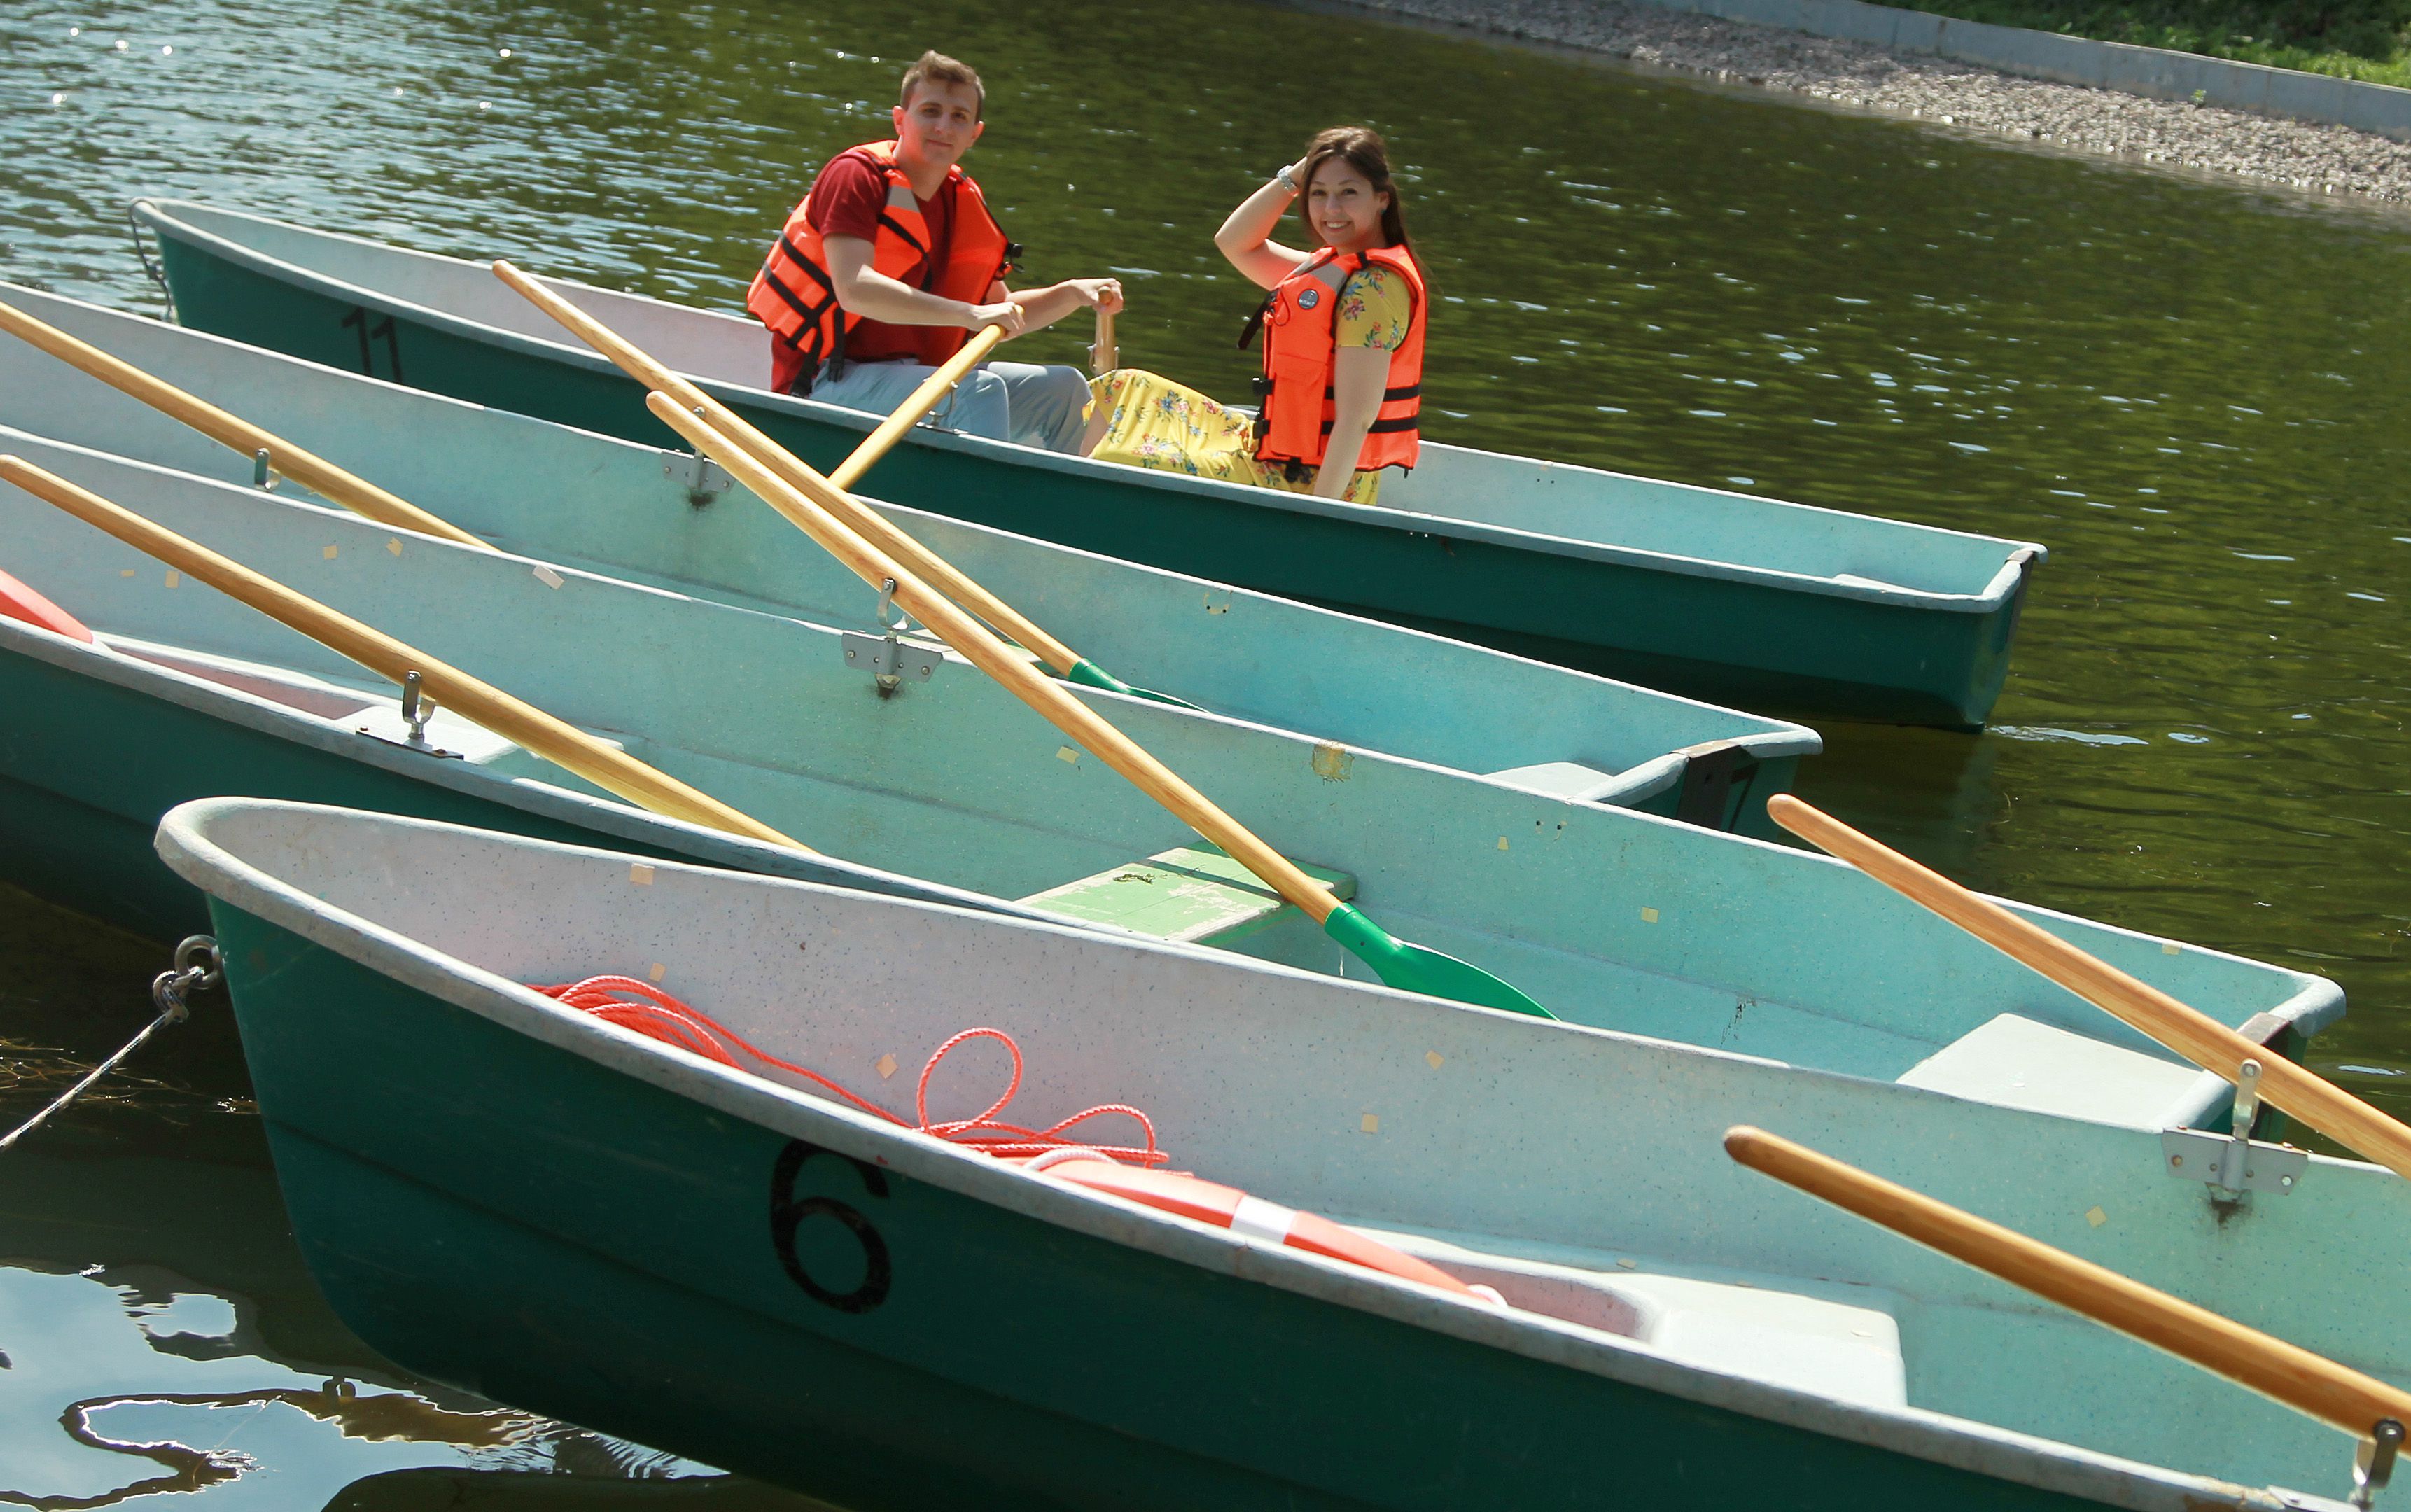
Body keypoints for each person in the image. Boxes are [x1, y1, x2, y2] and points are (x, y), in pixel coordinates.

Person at [746, 50, 1124, 453]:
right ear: (900, 119)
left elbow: (1001, 311)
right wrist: (970, 314)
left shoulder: (960, 198)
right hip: (826, 383)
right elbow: (854, 288)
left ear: (974, 133)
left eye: (958, 116)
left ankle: (1064, 506)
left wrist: (1071, 293)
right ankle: (983, 507)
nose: (944, 126)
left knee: (1064, 388)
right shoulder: (856, 177)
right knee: (980, 390)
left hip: (918, 378)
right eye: (930, 111)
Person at [1080, 127, 1426, 505]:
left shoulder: (1372, 289)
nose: (1331, 210)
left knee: (1119, 459)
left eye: (1348, 192)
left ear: (1381, 200)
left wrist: (1318, 517)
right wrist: (1294, 178)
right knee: (1124, 386)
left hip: (1309, 482)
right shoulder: (1333, 268)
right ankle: (1074, 509)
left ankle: (1077, 518)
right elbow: (1235, 243)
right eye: (1319, 193)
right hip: (1273, 453)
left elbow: (1355, 420)